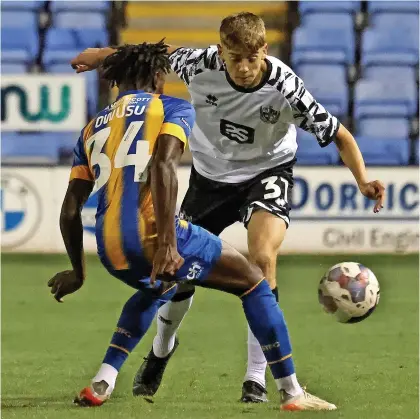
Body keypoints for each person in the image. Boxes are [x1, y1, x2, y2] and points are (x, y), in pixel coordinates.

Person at [70, 12, 385, 403]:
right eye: (235, 58)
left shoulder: (286, 87)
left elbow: (338, 134)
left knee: (262, 259)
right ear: (222, 52)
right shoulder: (199, 63)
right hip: (210, 177)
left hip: (267, 171)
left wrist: (363, 179)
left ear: (263, 51)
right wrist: (102, 55)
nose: (245, 67)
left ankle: (255, 379)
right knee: (172, 276)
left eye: (252, 58)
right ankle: (162, 348)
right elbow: (154, 53)